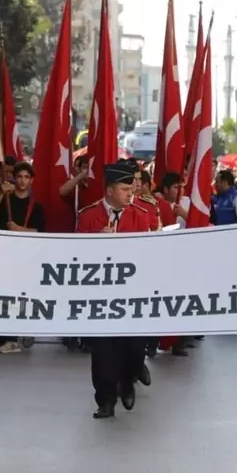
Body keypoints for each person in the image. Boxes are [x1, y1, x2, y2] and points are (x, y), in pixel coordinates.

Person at [77, 163, 157, 419]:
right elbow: (73, 256)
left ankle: (129, 378)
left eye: (131, 188)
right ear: (110, 190)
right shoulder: (89, 216)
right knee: (103, 351)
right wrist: (96, 243)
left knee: (134, 346)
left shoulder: (142, 214)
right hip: (101, 295)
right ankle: (106, 400)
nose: (130, 193)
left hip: (132, 294)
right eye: (124, 189)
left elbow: (151, 252)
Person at [0, 161, 47, 355]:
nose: (22, 181)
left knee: (20, 295)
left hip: (25, 257)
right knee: (3, 294)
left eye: (26, 177)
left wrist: (19, 230)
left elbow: (40, 231)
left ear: (31, 180)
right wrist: (0, 193)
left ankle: (16, 336)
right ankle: (3, 336)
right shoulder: (6, 199)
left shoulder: (36, 207)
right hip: (4, 253)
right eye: (19, 177)